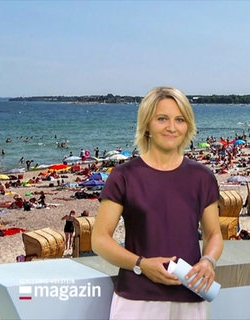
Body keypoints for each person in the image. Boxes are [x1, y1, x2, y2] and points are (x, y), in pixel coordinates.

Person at [92, 86, 223, 319]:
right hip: (136, 300)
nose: (172, 127)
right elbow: (100, 239)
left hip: (191, 296)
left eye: (179, 119)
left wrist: (208, 261)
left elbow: (214, 234)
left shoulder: (202, 177)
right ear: (147, 125)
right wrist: (141, 264)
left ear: (188, 126)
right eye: (162, 119)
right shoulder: (123, 176)